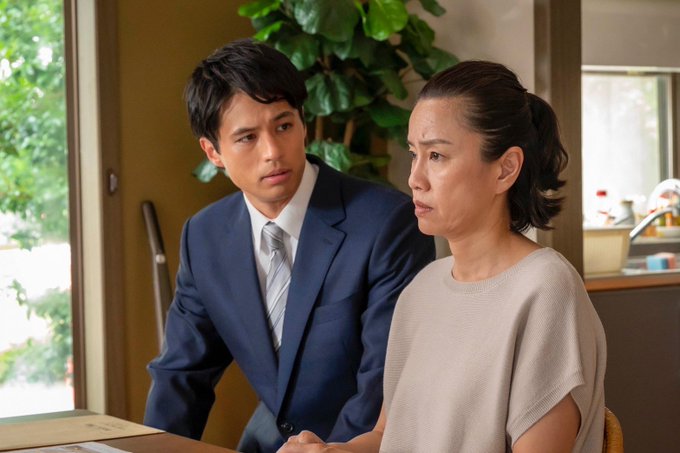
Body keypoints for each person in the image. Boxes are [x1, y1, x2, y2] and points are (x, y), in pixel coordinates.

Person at [279, 60, 607, 453]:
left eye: (436, 155)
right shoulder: (423, 289)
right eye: (414, 154)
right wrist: (335, 451)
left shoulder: (545, 289)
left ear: (505, 169)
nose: (415, 178)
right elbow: (387, 436)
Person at [142, 39, 435, 453]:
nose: (273, 152)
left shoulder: (387, 223)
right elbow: (181, 375)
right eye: (247, 138)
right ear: (213, 152)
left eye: (283, 126)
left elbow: (384, 382)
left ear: (303, 122)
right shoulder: (204, 237)